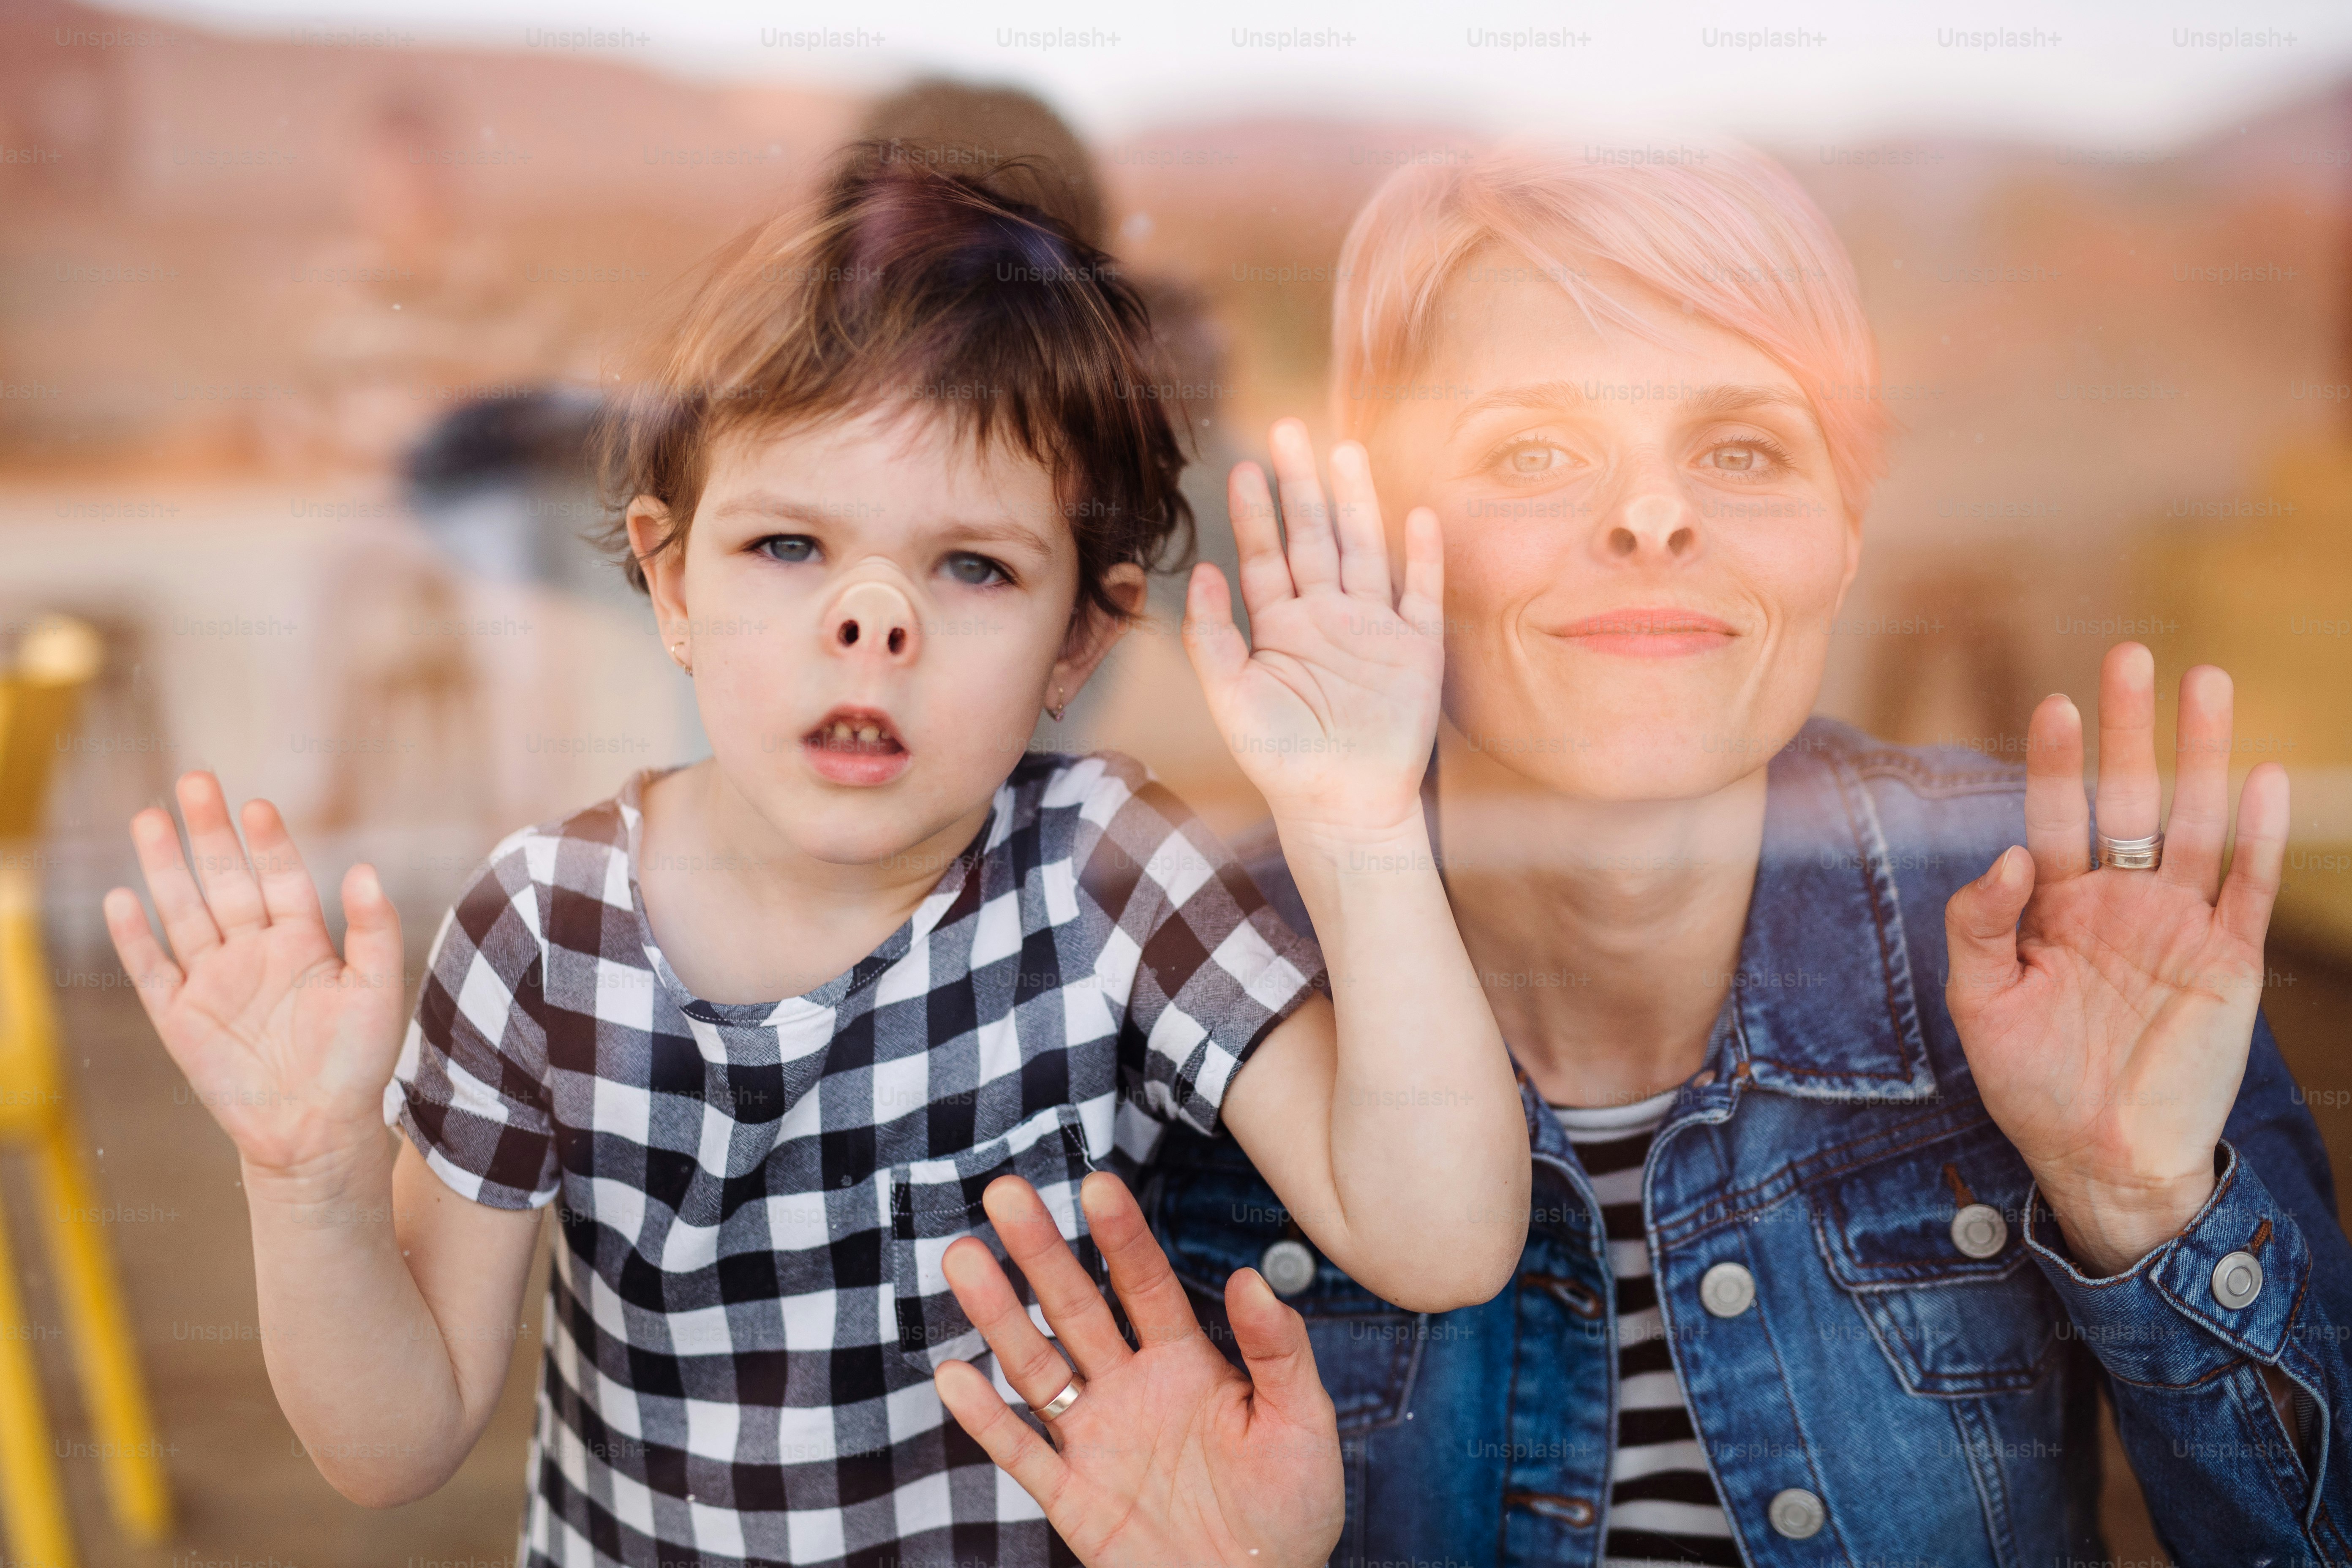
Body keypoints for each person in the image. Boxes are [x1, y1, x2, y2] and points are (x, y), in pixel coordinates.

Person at [98, 149, 1530, 1567]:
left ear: (1078, 643)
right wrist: (308, 1181)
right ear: (670, 583)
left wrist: (1357, 824)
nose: (872, 619)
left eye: (973, 567)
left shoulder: (1105, 872)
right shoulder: (545, 929)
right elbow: (395, 1443)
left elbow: (1442, 1240)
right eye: (787, 545)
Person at [933, 137, 2352, 1567]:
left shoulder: (2072, 929)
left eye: (1742, 450)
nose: (1653, 516)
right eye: (1535, 453)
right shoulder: (1167, 984)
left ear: (1844, 535)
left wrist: (2142, 1210)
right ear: (1378, 530)